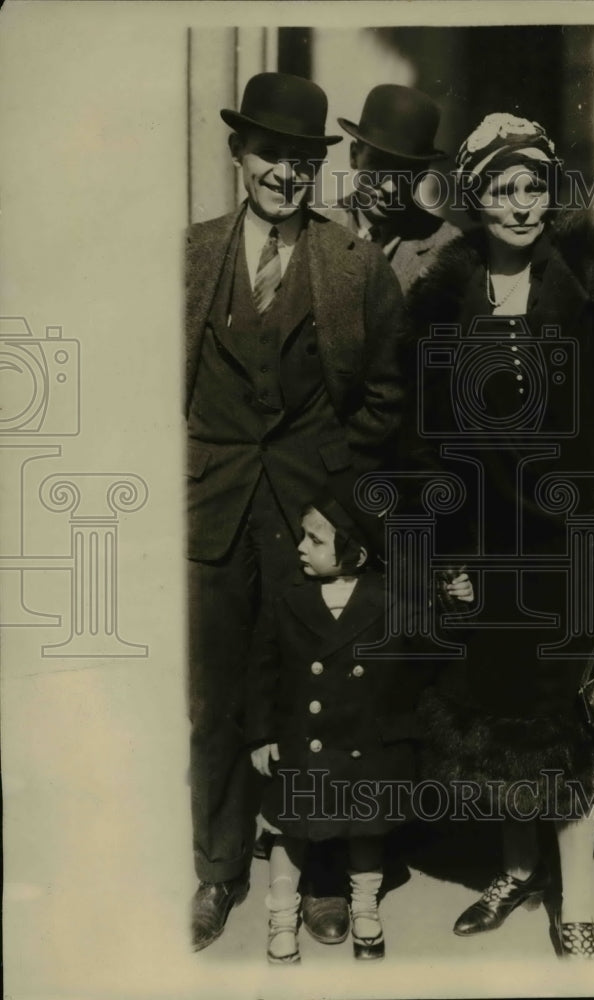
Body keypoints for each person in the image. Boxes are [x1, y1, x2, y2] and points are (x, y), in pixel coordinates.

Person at [405, 114, 594, 958]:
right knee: (496, 717)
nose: (521, 204)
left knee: (570, 730)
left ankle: (576, 902)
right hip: (485, 551)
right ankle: (515, 868)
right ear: (473, 197)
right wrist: (444, 557)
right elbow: (427, 444)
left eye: (533, 185)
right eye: (502, 188)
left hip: (575, 545)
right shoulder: (442, 302)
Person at [186, 71, 408, 952]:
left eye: (303, 159)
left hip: (311, 517)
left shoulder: (351, 265)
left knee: (323, 702)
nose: (285, 171)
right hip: (213, 513)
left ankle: (320, 877)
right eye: (271, 152)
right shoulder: (190, 254)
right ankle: (218, 870)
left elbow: (387, 400)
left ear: (319, 167)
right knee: (217, 703)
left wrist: (339, 499)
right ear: (239, 152)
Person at [247, 491, 474, 963]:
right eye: (303, 537)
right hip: (301, 742)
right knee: (289, 829)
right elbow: (262, 671)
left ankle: (366, 908)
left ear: (356, 552)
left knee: (365, 829)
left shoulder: (388, 600)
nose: (301, 548)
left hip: (365, 742)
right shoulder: (288, 599)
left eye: (315, 539)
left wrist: (455, 606)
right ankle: (282, 916)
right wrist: (261, 734)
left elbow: (434, 648)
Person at [325, 84, 460, 295]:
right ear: (353, 156)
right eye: (377, 165)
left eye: (406, 171)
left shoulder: (446, 247)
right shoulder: (315, 226)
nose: (390, 187)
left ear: (423, 173)